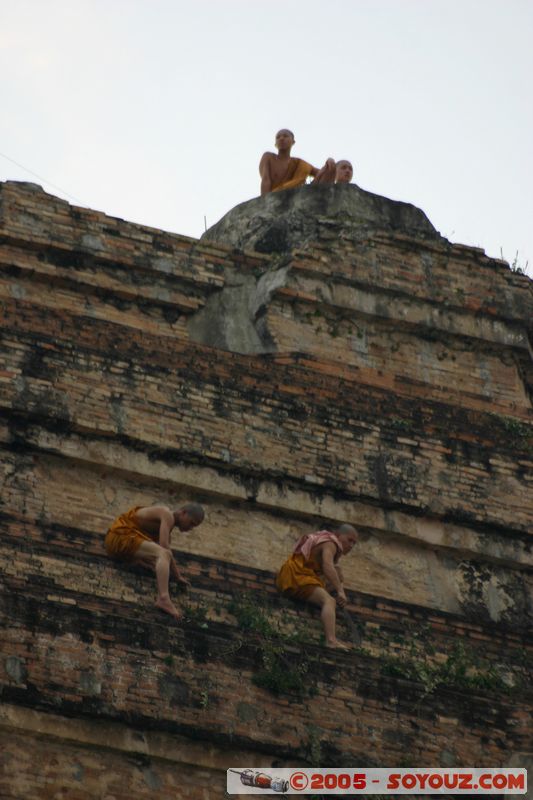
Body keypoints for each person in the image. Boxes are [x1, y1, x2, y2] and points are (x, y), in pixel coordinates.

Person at [105, 502, 205, 621]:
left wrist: (172, 573)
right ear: (183, 513)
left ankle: (137, 562)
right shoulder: (166, 514)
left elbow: (165, 556)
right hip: (120, 537)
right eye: (192, 523)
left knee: (158, 562)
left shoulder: (167, 529)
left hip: (124, 548)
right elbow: (164, 548)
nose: (190, 528)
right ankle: (163, 598)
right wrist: (177, 575)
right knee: (163, 554)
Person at [276, 524, 358, 650]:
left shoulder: (326, 542)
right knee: (329, 601)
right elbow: (327, 566)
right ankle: (331, 640)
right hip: (297, 576)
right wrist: (340, 591)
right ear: (338, 535)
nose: (351, 545)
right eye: (349, 540)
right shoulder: (331, 543)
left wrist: (338, 585)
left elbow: (332, 570)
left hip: (295, 575)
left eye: (354, 543)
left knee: (338, 572)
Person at [259, 129, 336, 195]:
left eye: (285, 136)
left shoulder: (300, 163)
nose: (281, 138)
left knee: (329, 170)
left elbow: (322, 174)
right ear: (275, 144)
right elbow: (266, 179)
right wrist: (264, 202)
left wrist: (330, 161)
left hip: (295, 198)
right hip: (275, 198)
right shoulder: (268, 157)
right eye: (278, 137)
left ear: (293, 142)